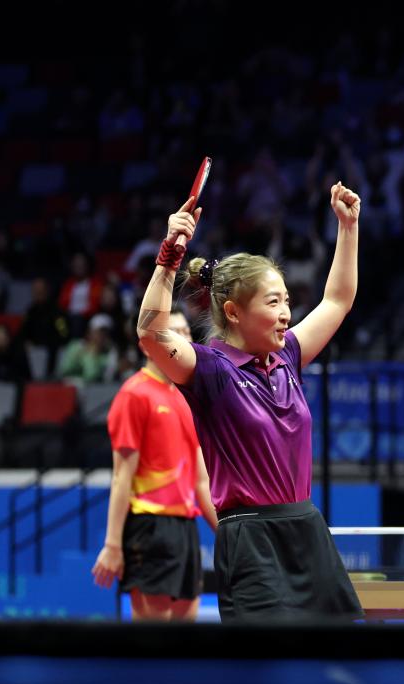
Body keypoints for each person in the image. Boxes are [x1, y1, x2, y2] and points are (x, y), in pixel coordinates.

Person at [135, 181, 363, 622]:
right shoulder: (210, 370)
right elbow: (150, 334)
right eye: (274, 302)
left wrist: (348, 227)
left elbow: (337, 300)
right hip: (251, 541)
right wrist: (168, 258)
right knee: (266, 659)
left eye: (287, 301)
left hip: (306, 530)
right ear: (234, 312)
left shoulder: (288, 356)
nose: (286, 314)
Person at [91, 310, 217, 621]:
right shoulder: (134, 395)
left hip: (185, 527)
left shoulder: (186, 398)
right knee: (154, 640)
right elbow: (121, 476)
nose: (183, 340)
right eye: (173, 332)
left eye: (186, 332)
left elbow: (201, 481)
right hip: (149, 526)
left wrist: (228, 533)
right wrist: (113, 544)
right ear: (147, 345)